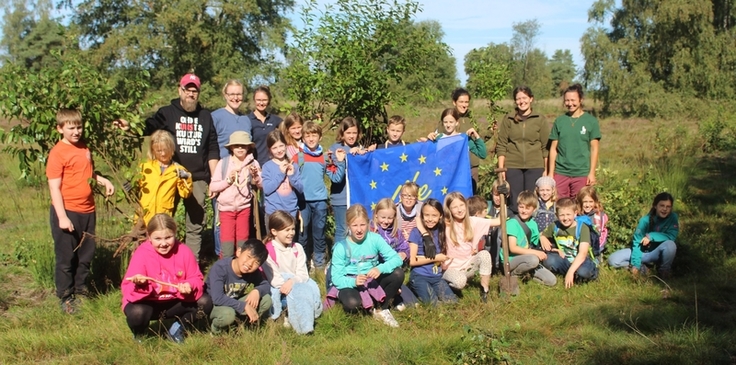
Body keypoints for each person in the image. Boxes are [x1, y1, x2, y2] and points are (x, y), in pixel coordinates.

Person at [115, 74, 219, 261]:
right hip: (168, 175)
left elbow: (212, 148)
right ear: (180, 90)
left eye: (195, 91)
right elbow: (147, 127)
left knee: (195, 224)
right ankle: (157, 261)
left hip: (197, 178)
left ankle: (190, 264)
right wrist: (129, 126)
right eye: (188, 90)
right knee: (160, 221)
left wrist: (214, 179)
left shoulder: (205, 116)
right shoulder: (167, 112)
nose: (191, 94)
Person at [47, 108, 115, 314]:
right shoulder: (58, 153)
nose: (76, 132)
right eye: (71, 128)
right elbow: (54, 187)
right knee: (66, 257)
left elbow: (86, 173)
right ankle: (66, 297)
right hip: (68, 211)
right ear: (60, 129)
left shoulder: (84, 147)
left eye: (79, 127)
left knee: (86, 254)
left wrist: (102, 180)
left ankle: (81, 290)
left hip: (88, 211)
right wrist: (62, 217)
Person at [122, 214, 212, 342]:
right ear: (149, 237)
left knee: (205, 302)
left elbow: (196, 278)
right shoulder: (141, 253)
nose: (163, 243)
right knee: (137, 312)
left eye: (168, 237)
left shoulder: (184, 251)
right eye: (157, 239)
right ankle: (139, 333)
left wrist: (189, 285)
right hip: (149, 303)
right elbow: (127, 290)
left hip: (174, 301)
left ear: (175, 234)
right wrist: (140, 284)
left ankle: (177, 328)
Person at [325, 204, 404, 327]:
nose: (359, 230)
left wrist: (380, 268)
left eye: (362, 225)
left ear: (368, 223)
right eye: (354, 225)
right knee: (352, 303)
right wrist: (354, 282)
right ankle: (360, 305)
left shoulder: (375, 239)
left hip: (372, 280)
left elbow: (396, 259)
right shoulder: (341, 247)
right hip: (350, 282)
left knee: (398, 273)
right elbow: (336, 278)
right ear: (348, 225)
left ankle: (381, 309)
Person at [295, 121, 346, 270]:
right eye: (307, 135)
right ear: (303, 138)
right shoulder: (298, 157)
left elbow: (336, 178)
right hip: (302, 202)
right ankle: (302, 264)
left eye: (314, 135)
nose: (311, 139)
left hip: (320, 202)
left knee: (319, 233)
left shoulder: (324, 157)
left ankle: (319, 263)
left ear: (320, 137)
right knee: (302, 235)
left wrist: (341, 163)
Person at [262, 211, 322, 334]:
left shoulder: (297, 248)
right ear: (274, 232)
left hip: (294, 283)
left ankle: (305, 323)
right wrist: (288, 283)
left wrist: (292, 281)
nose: (291, 233)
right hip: (279, 287)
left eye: (293, 229)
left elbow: (303, 274)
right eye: (286, 230)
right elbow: (274, 279)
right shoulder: (268, 251)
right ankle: (289, 316)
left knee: (306, 290)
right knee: (291, 296)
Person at [212, 79, 252, 258]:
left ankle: (240, 260)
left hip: (243, 178)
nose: (236, 97)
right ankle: (223, 259)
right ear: (225, 95)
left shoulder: (245, 119)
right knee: (222, 222)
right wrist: (215, 178)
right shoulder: (216, 117)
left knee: (243, 222)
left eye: (239, 94)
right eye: (232, 94)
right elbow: (211, 147)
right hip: (223, 177)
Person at [497, 86, 550, 213]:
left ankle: (532, 230)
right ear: (515, 101)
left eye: (524, 98)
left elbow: (545, 147)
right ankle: (516, 229)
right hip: (513, 165)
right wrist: (501, 169)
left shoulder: (540, 119)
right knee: (516, 202)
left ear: (531, 99)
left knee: (532, 201)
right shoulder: (508, 119)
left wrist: (546, 169)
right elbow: (502, 144)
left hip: (535, 165)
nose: (522, 101)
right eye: (518, 99)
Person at [209, 131, 262, 258]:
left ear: (248, 147)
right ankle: (226, 269)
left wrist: (255, 175)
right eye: (237, 145)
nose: (240, 148)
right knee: (226, 244)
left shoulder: (253, 163)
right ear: (231, 147)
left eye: (243, 146)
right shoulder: (224, 163)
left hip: (244, 208)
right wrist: (229, 180)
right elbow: (214, 186)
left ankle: (240, 270)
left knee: (242, 243)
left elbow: (261, 184)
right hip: (226, 209)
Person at [442, 192, 499, 302]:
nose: (459, 210)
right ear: (449, 209)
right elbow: (420, 219)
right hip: (450, 268)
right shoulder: (445, 224)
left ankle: (484, 292)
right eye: (454, 207)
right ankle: (446, 285)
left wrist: (503, 199)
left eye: (461, 205)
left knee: (485, 255)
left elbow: (500, 221)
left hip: (468, 265)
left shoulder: (473, 221)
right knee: (460, 281)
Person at [548, 83, 601, 199]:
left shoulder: (590, 121)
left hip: (581, 172)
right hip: (561, 172)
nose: (570, 103)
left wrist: (592, 173)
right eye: (567, 100)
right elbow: (553, 149)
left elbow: (594, 148)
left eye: (573, 100)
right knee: (560, 206)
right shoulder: (560, 121)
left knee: (579, 206)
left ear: (581, 99)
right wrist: (551, 173)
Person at [206, 239, 271, 334]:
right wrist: (244, 306)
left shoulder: (253, 273)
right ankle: (216, 331)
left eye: (256, 263)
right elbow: (217, 298)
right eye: (248, 257)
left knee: (266, 299)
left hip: (234, 303)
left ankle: (245, 324)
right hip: (216, 306)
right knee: (228, 314)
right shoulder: (220, 268)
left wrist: (257, 291)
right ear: (239, 252)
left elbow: (266, 285)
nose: (250, 264)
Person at [608, 192, 678, 278]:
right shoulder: (645, 221)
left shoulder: (673, 218)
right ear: (655, 206)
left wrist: (651, 236)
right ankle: (642, 267)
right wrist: (635, 266)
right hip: (643, 253)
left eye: (668, 206)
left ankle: (664, 271)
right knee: (613, 260)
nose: (665, 209)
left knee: (671, 244)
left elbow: (671, 236)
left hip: (657, 253)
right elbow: (637, 243)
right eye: (662, 205)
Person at [538, 198, 599, 288]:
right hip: (565, 260)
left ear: (575, 213)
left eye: (568, 214)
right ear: (557, 215)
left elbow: (583, 253)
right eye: (562, 215)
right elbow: (542, 234)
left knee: (583, 271)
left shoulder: (582, 227)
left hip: (582, 261)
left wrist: (570, 272)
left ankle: (589, 274)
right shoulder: (555, 226)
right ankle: (572, 275)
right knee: (549, 260)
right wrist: (542, 237)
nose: (565, 218)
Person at [329, 117, 372, 242]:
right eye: (348, 133)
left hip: (357, 197)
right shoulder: (335, 149)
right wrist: (347, 156)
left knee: (357, 229)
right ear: (342, 133)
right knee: (342, 229)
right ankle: (337, 260)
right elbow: (336, 176)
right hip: (340, 199)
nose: (351, 136)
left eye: (354, 132)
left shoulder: (360, 148)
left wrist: (366, 154)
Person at [137, 130, 192, 226]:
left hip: (163, 219)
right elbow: (136, 189)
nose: (162, 154)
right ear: (152, 150)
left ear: (171, 149)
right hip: (143, 217)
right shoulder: (145, 167)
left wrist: (186, 178)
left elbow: (185, 194)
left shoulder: (178, 170)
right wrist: (129, 188)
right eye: (159, 151)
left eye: (165, 150)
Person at [501, 191, 557, 286]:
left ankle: (527, 274)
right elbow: (513, 248)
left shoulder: (533, 224)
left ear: (534, 209)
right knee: (533, 260)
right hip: (511, 260)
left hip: (527, 258)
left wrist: (543, 238)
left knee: (551, 281)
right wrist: (535, 253)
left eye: (527, 208)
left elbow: (535, 244)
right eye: (521, 207)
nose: (524, 211)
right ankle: (515, 275)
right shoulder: (512, 223)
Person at [371, 198, 417, 310]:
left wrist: (404, 254)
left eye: (390, 218)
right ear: (376, 215)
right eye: (383, 217)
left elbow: (405, 246)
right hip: (378, 272)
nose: (386, 221)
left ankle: (396, 293)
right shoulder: (372, 231)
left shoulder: (396, 232)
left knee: (413, 304)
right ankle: (385, 303)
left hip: (394, 269)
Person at [407, 199, 456, 305]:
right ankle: (414, 290)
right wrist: (436, 258)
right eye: (426, 215)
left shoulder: (442, 230)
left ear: (440, 216)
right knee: (434, 304)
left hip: (437, 277)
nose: (430, 219)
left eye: (434, 215)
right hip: (419, 276)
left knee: (452, 302)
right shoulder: (416, 232)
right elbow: (412, 261)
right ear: (422, 216)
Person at [451, 88, 487, 192]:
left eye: (466, 102)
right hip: (455, 166)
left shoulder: (472, 119)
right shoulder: (449, 118)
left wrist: (490, 131)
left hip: (471, 166)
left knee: (471, 196)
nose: (464, 105)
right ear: (454, 102)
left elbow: (479, 141)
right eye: (461, 102)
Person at [262, 130, 303, 220]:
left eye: (281, 146)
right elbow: (267, 189)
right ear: (270, 150)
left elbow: (300, 189)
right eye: (275, 148)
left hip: (290, 211)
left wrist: (291, 176)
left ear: (285, 145)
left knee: (290, 234)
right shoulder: (267, 167)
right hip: (273, 213)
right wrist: (281, 174)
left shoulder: (293, 165)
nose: (279, 150)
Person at [247, 85, 283, 167]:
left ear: (269, 101)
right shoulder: (247, 120)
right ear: (254, 100)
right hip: (254, 165)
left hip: (273, 164)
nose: (261, 103)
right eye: (258, 100)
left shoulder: (275, 120)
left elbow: (291, 128)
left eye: (264, 100)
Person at [576, 186, 609, 260]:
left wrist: (599, 247)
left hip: (596, 247)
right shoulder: (577, 216)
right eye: (585, 202)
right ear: (580, 202)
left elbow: (603, 233)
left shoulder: (600, 216)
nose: (587, 205)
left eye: (591, 202)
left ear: (595, 202)